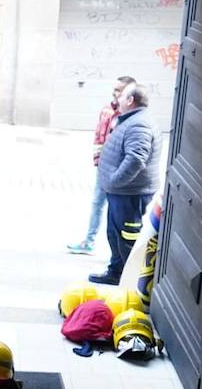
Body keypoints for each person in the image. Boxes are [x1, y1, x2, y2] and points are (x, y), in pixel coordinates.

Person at [90, 81, 159, 286]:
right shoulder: (131, 119)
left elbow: (136, 159)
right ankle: (116, 271)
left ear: (130, 100)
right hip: (122, 192)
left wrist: (115, 181)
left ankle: (130, 280)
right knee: (115, 233)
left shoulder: (139, 124)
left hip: (129, 195)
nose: (117, 99)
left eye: (121, 96)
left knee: (127, 237)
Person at [68, 76, 133, 254]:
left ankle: (118, 252)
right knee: (97, 202)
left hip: (117, 170)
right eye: (115, 88)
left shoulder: (128, 116)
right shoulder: (106, 110)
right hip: (103, 166)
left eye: (120, 90)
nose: (115, 92)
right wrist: (97, 159)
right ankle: (89, 241)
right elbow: (99, 136)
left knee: (116, 209)